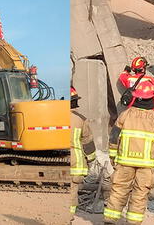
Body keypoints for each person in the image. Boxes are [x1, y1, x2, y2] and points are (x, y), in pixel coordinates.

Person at [104, 82, 154, 224]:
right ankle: (133, 222)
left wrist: (112, 155)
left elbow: (114, 137)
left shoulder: (124, 115)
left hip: (124, 162)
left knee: (118, 191)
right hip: (146, 166)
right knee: (140, 195)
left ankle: (110, 220)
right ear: (151, 99)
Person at [69, 86, 96, 219]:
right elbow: (88, 142)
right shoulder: (80, 119)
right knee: (72, 189)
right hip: (75, 162)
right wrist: (91, 159)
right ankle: (69, 216)